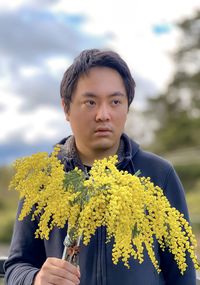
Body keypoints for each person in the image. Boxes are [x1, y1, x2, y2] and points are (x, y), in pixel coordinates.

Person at [4, 48, 196, 285]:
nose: (103, 115)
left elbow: (182, 274)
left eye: (115, 101)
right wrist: (35, 279)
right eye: (90, 102)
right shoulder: (44, 179)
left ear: (127, 107)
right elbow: (16, 267)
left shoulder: (159, 175)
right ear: (66, 108)